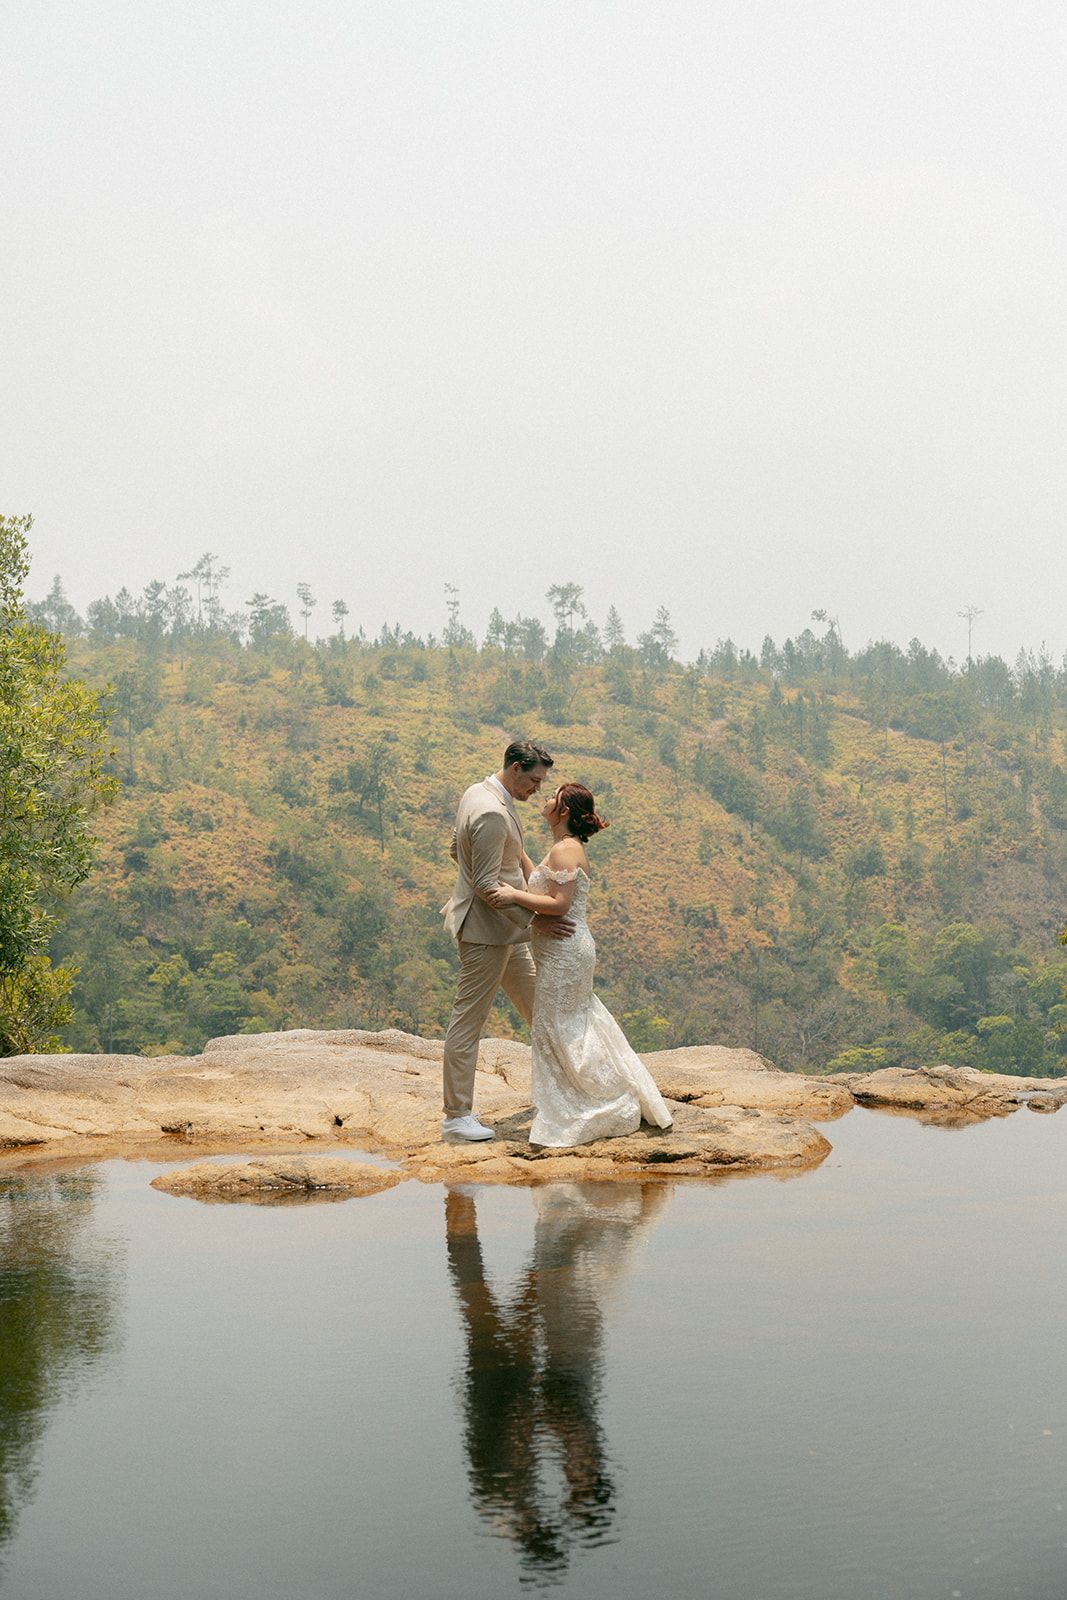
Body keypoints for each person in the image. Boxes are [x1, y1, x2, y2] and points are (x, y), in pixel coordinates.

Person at [490, 784, 674, 1147]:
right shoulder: (560, 849)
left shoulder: (567, 851)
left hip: (565, 952)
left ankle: (599, 1097)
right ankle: (583, 1093)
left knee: (560, 1026)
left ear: (563, 811)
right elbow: (541, 878)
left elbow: (558, 904)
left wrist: (511, 895)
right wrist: (518, 852)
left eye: (553, 795)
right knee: (568, 1022)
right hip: (559, 951)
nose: (545, 797)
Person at [440, 739, 570, 1142]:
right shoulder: (491, 811)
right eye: (533, 780)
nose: (536, 789)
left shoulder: (478, 792)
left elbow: (459, 851)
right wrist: (535, 921)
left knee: (539, 1007)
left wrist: (534, 886)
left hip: (505, 931)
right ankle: (456, 1117)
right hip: (485, 933)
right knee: (469, 1021)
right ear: (515, 768)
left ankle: (563, 1092)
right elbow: (483, 882)